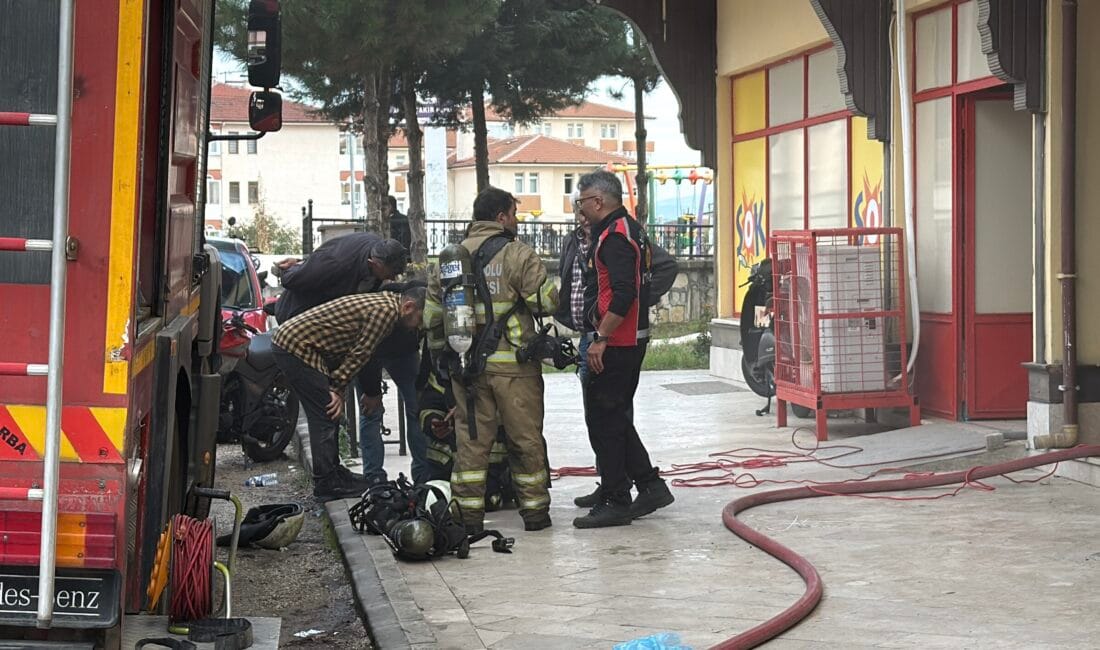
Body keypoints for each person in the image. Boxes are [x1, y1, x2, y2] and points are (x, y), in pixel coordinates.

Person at [425, 187, 558, 534]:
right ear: (501, 217)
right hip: (514, 368)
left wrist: (447, 365)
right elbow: (546, 304)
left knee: (470, 445)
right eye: (513, 213)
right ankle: (535, 514)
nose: (515, 221)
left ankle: (467, 518)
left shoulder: (449, 259)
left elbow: (431, 319)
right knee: (524, 440)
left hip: (466, 369)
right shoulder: (518, 254)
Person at [572, 170, 674, 529]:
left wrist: (601, 337)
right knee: (613, 417)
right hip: (628, 339)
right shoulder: (629, 229)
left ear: (598, 201)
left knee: (605, 421)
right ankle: (647, 485)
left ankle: (617, 498)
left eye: (582, 201)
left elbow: (623, 292)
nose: (580, 208)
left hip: (617, 342)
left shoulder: (615, 236)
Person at [272, 287, 426, 502]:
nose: (418, 327)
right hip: (297, 347)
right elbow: (361, 353)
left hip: (302, 347)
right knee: (325, 413)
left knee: (330, 411)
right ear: (408, 307)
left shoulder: (386, 304)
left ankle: (334, 473)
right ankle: (326, 482)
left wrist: (338, 389)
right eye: (419, 319)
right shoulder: (386, 313)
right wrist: (336, 388)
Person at [356, 280, 427, 485]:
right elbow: (365, 353)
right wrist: (372, 392)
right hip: (370, 355)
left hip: (405, 353)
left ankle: (423, 475)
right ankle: (374, 477)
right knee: (371, 412)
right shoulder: (380, 311)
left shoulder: (423, 303)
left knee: (417, 408)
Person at [271, 232, 407, 324]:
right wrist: (287, 269)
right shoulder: (337, 264)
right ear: (373, 263)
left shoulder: (378, 248)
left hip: (329, 317)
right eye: (389, 274)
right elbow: (293, 279)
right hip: (296, 315)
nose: (393, 278)